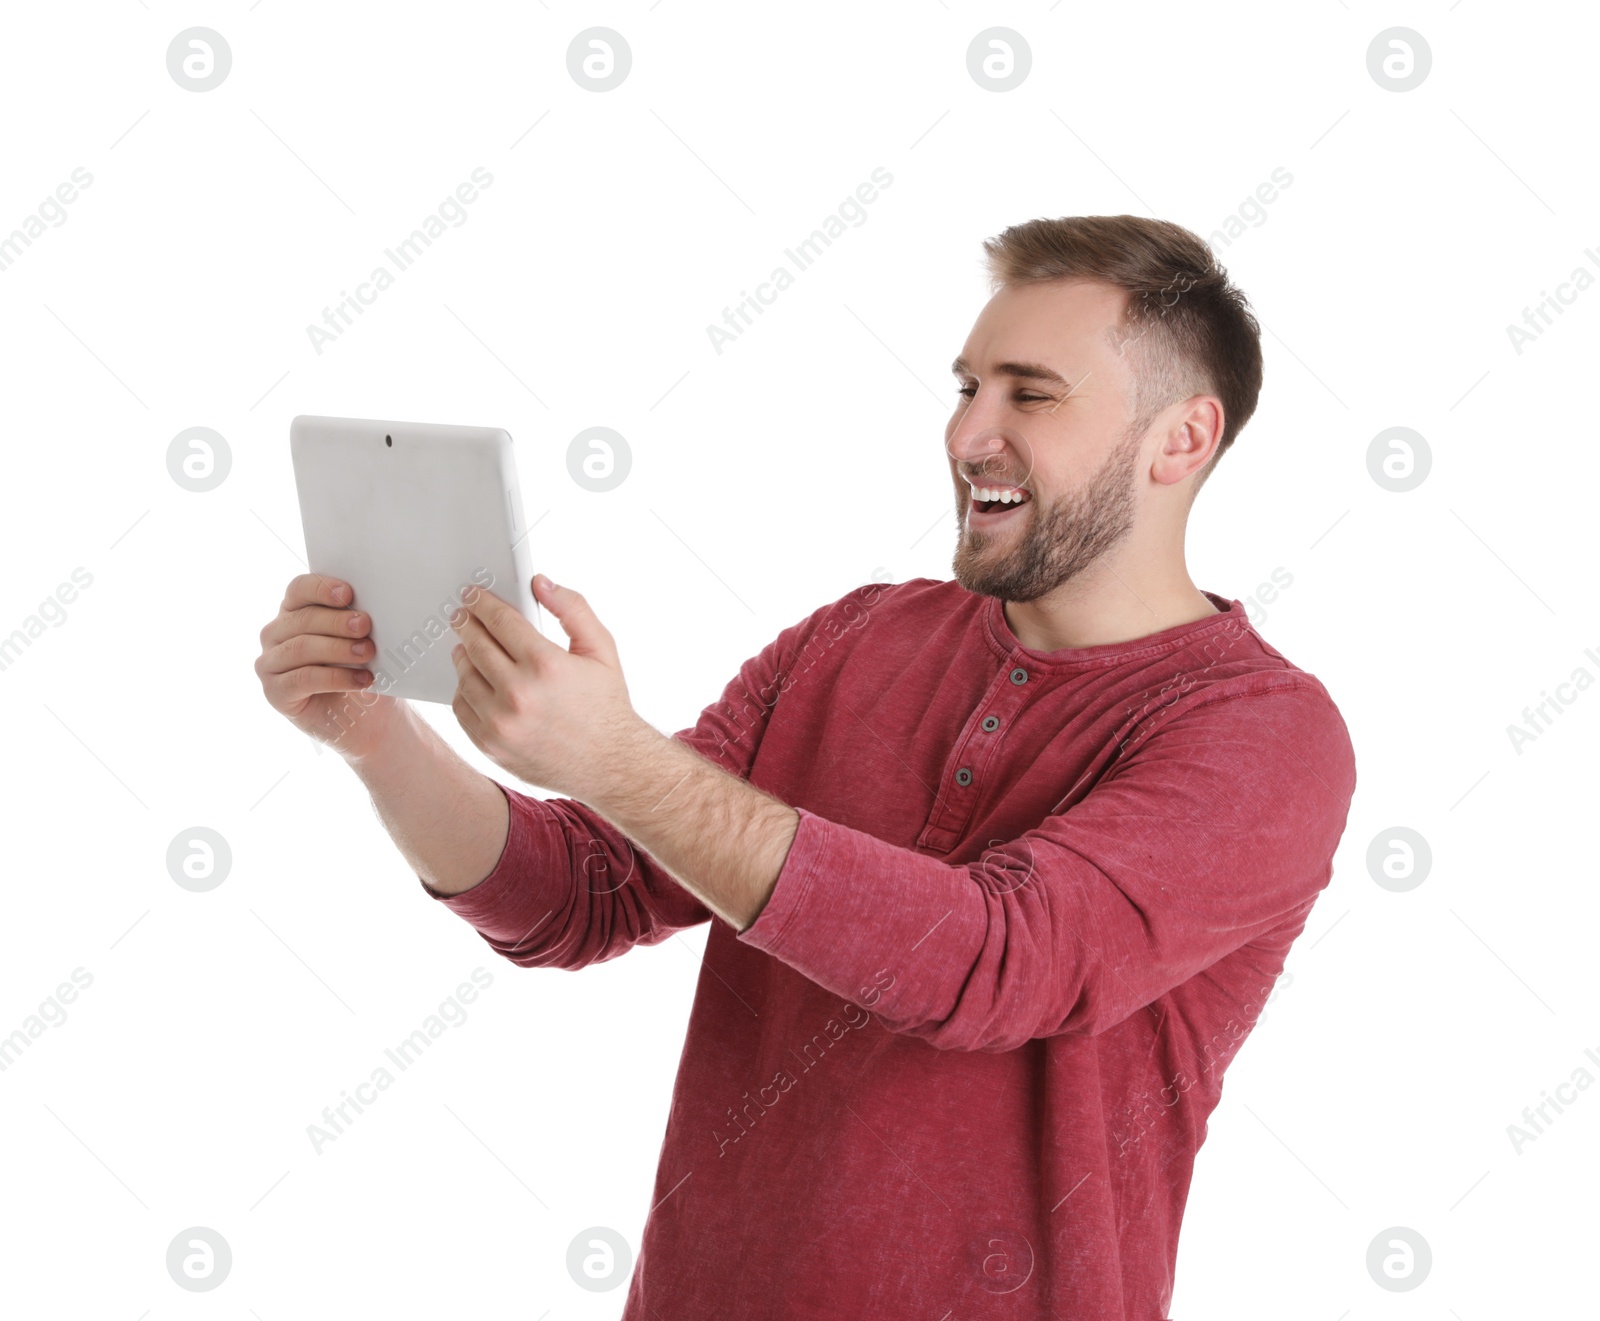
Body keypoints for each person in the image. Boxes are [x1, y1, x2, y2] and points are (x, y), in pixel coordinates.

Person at [256, 214, 1357, 1319]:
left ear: (1182, 439)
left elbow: (997, 964)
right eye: (966, 385)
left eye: (1029, 394)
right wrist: (376, 736)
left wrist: (614, 758)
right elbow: (581, 896)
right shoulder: (857, 637)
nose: (969, 434)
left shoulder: (1262, 735)